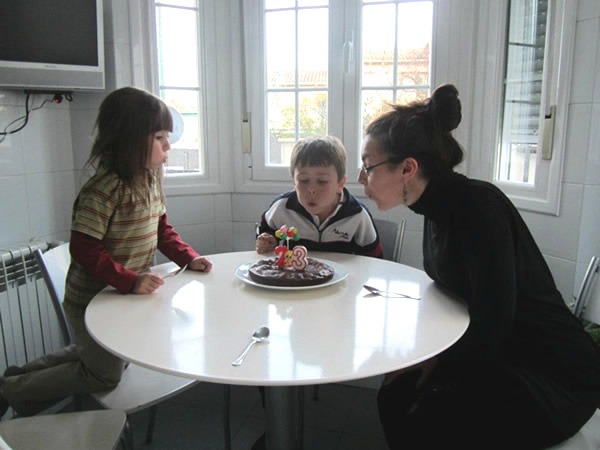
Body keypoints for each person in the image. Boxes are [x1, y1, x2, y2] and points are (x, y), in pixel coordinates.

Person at [358, 84, 600, 449]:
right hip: (501, 352)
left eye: (367, 167)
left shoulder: (476, 207)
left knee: (425, 414)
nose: (361, 180)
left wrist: (432, 363)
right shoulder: (436, 209)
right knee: (394, 396)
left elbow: (494, 319)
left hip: (551, 372)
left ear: (408, 168)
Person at [0, 87, 213, 417]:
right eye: (159, 137)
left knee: (105, 357)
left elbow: (161, 231)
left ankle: (15, 377)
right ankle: (10, 391)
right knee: (105, 372)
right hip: (91, 299)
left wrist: (189, 257)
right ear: (129, 140)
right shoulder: (105, 188)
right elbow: (84, 248)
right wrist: (129, 280)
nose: (168, 145)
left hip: (120, 295)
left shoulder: (151, 180)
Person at [256, 135, 383, 259]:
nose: (311, 190)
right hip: (296, 278)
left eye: (322, 181)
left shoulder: (357, 215)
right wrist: (267, 240)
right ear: (294, 182)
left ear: (340, 184)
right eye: (304, 180)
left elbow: (374, 260)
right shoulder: (283, 207)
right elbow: (265, 233)